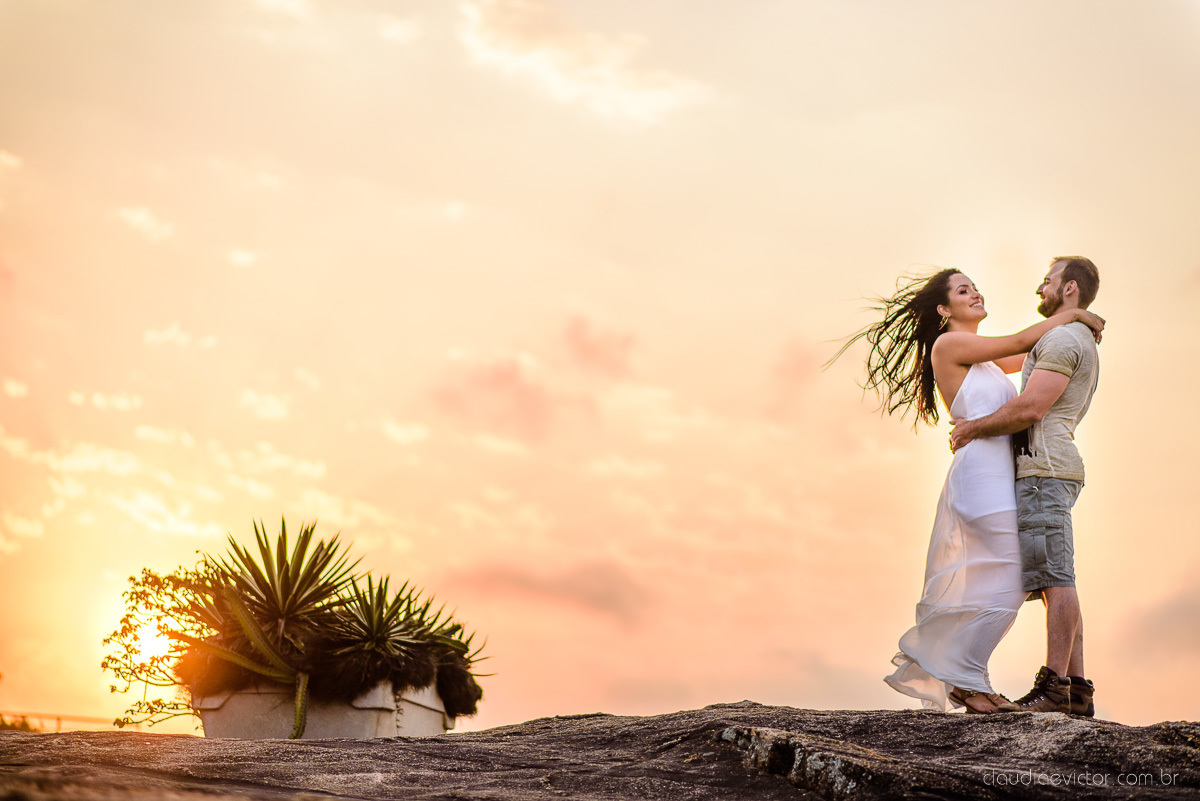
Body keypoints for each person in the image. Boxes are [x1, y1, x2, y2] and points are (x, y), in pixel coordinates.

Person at [832, 267, 1104, 714]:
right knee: (1015, 576)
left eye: (975, 287)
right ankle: (964, 678)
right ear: (944, 309)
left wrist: (1073, 321)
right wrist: (1080, 315)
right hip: (982, 477)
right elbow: (1021, 341)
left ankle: (972, 678)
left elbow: (1031, 351)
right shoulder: (949, 344)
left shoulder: (982, 358)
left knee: (1009, 578)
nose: (975, 293)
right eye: (963, 291)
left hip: (1000, 475)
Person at [950, 257, 1101, 716]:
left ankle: (1055, 687)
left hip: (1044, 471)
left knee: (1055, 577)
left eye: (1049, 281)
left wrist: (972, 428)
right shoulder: (1067, 333)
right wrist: (1077, 315)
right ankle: (1075, 690)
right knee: (1056, 574)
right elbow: (1009, 352)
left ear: (1069, 287)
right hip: (1051, 467)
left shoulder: (1060, 337)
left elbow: (1031, 408)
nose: (1040, 287)